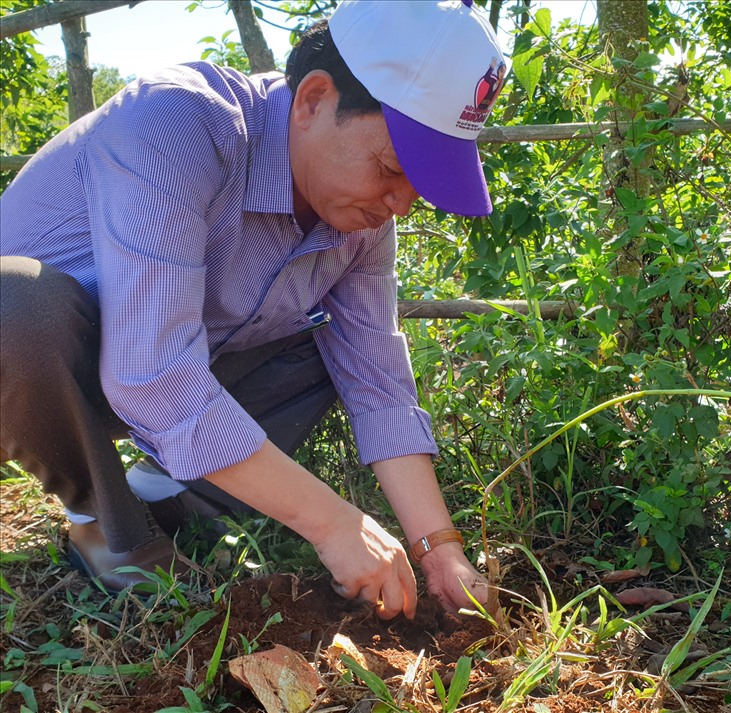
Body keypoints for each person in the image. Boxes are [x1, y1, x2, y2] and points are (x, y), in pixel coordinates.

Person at [0, 0, 507, 620]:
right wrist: (334, 524)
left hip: (179, 365)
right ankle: (100, 519)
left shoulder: (357, 219)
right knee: (13, 304)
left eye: (417, 185)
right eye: (390, 168)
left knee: (332, 346)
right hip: (43, 370)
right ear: (314, 100)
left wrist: (439, 549)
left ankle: (168, 495)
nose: (400, 204)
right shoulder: (177, 124)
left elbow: (377, 382)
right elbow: (152, 375)